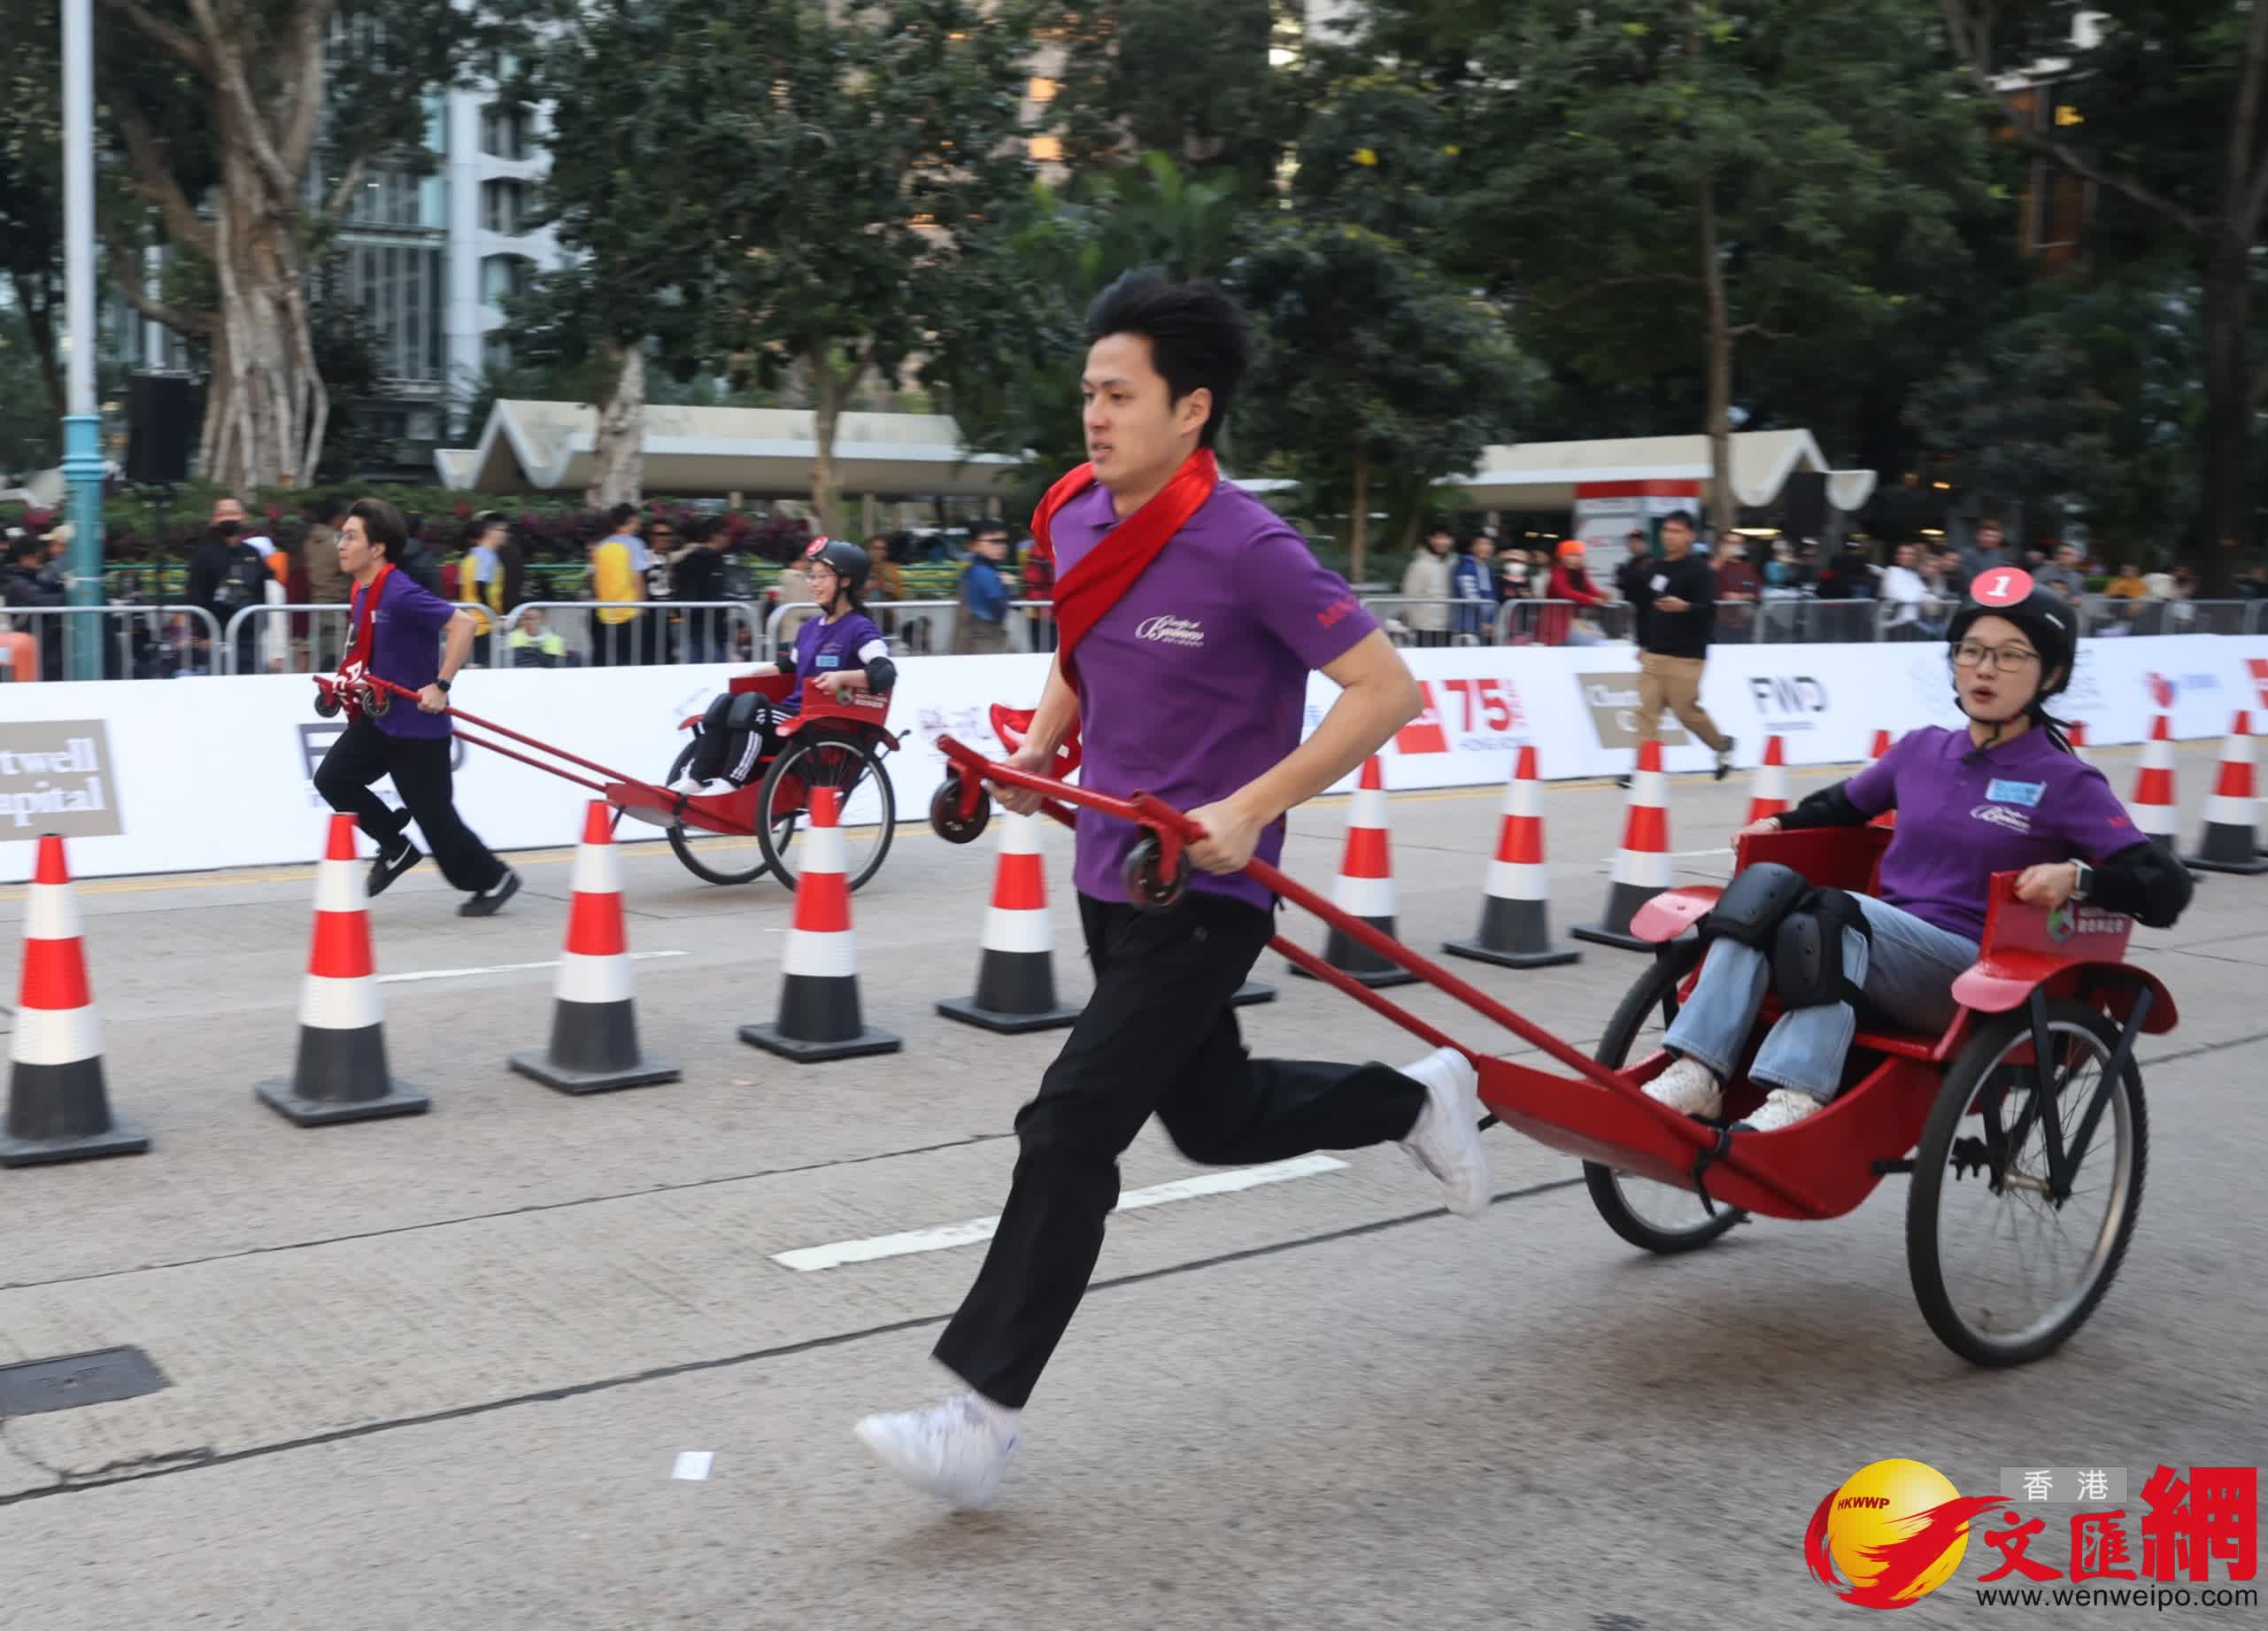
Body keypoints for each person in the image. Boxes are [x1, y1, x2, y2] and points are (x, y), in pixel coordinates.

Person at [851, 271, 1488, 1509]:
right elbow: (1085, 655)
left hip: (1208, 888)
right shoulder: (1077, 514)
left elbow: (1384, 692)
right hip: (1109, 866)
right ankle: (1414, 1097)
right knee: (1217, 1116)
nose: (1093, 415)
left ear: (1191, 408)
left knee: (1070, 1121)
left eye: (1118, 394)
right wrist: (1038, 754)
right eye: (1087, 391)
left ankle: (980, 1415)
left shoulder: (1250, 545)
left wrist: (1251, 808)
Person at [1644, 573, 2192, 1135]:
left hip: (1972, 975)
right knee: (1765, 886)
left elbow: (2165, 885)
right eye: (1972, 651)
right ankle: (1698, 1069)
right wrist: (1780, 822)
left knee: (1830, 914)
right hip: (1872, 946)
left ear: (2050, 674)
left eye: (2009, 656)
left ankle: (1798, 1096)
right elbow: (1840, 806)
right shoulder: (1922, 750)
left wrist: (2078, 878)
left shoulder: (2066, 779)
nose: (1983, 669)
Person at [313, 499, 521, 916]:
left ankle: (494, 878)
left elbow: (462, 624)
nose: (341, 544)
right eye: (342, 535)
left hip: (417, 727)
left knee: (438, 822)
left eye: (351, 537)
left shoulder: (400, 591)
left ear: (377, 549)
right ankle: (394, 845)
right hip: (381, 719)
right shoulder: (361, 589)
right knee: (333, 779)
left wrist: (441, 685)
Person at [664, 537, 897, 798]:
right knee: (726, 701)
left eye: (823, 577)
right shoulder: (810, 628)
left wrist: (843, 677)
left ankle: (731, 782)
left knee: (754, 707)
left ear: (845, 581)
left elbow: (884, 671)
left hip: (819, 722)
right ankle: (697, 778)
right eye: (811, 576)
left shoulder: (859, 628)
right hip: (794, 714)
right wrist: (755, 675)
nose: (814, 584)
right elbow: (789, 665)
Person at [1624, 509, 1735, 780]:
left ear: (1690, 536)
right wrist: (1643, 642)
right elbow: (1645, 608)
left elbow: (1707, 610)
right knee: (1646, 712)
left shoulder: (1700, 570)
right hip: (1655, 654)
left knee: (1686, 712)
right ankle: (1643, 770)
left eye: (1677, 531)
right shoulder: (1656, 568)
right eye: (1666, 531)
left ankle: (1722, 745)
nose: (1670, 536)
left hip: (1687, 655)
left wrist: (1684, 607)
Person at [953, 521, 1014, 653]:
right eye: (994, 541)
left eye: (1003, 541)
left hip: (971, 641)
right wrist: (1007, 587)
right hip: (986, 643)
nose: (1001, 546)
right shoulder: (984, 573)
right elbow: (999, 612)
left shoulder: (970, 568)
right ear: (976, 545)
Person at [1400, 525, 1455, 645]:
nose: (1442, 542)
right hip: (1425, 626)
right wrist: (1414, 623)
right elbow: (1410, 595)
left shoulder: (1453, 563)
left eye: (1446, 538)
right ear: (1430, 540)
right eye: (1438, 538)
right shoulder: (1419, 565)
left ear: (1451, 541)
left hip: (1448, 626)